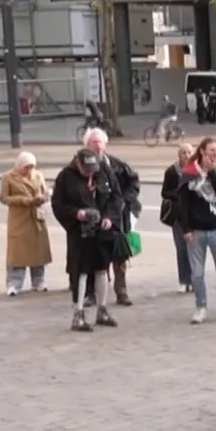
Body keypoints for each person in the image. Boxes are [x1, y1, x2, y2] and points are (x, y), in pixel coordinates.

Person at [51, 148, 123, 332]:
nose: (91, 171)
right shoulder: (65, 177)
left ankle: (102, 310)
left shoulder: (104, 171)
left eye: (94, 167)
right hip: (80, 232)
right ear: (78, 163)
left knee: (102, 270)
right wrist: (77, 214)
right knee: (81, 272)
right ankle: (78, 313)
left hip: (102, 229)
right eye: (87, 168)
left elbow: (115, 196)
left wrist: (110, 218)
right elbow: (58, 205)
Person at [176, 138, 216, 324]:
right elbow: (183, 204)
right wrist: (186, 228)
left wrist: (212, 173)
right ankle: (200, 307)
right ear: (202, 151)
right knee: (197, 273)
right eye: (211, 150)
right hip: (196, 231)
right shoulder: (189, 174)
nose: (215, 154)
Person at [83, 128, 140, 306]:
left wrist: (125, 201)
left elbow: (133, 183)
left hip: (117, 216)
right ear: (87, 146)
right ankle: (92, 293)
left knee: (120, 255)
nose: (98, 147)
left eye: (100, 143)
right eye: (94, 143)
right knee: (94, 255)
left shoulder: (117, 165)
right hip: (94, 217)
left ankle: (121, 291)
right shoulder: (81, 166)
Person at [0, 152, 51, 295]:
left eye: (32, 167)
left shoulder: (38, 175)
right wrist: (23, 200)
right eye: (26, 167)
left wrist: (44, 197)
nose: (29, 170)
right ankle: (14, 284)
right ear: (20, 166)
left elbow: (45, 191)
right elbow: (3, 198)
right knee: (17, 253)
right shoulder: (8, 177)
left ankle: (39, 281)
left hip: (36, 218)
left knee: (38, 251)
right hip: (19, 220)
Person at [160, 143, 196, 292]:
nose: (186, 155)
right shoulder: (172, 171)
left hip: (194, 216)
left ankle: (194, 280)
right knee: (181, 249)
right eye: (183, 153)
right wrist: (179, 193)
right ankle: (183, 280)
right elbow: (165, 192)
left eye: (189, 152)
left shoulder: (197, 170)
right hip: (177, 216)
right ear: (178, 155)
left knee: (194, 250)